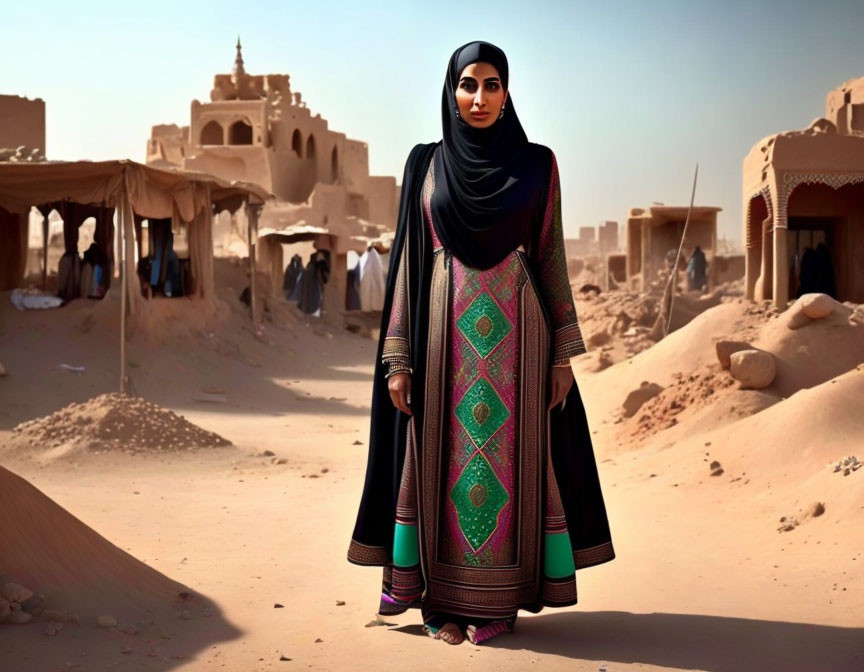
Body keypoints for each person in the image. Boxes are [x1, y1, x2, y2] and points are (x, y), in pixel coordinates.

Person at [347, 41, 615, 646]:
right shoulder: (425, 165)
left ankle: (500, 601)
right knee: (437, 463)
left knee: (508, 465)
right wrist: (398, 358)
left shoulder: (538, 165)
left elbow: (550, 258)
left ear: (507, 93)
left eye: (492, 85)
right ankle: (438, 602)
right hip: (442, 338)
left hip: (519, 340)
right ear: (451, 90)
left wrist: (562, 354)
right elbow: (411, 266)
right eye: (469, 85)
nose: (479, 97)